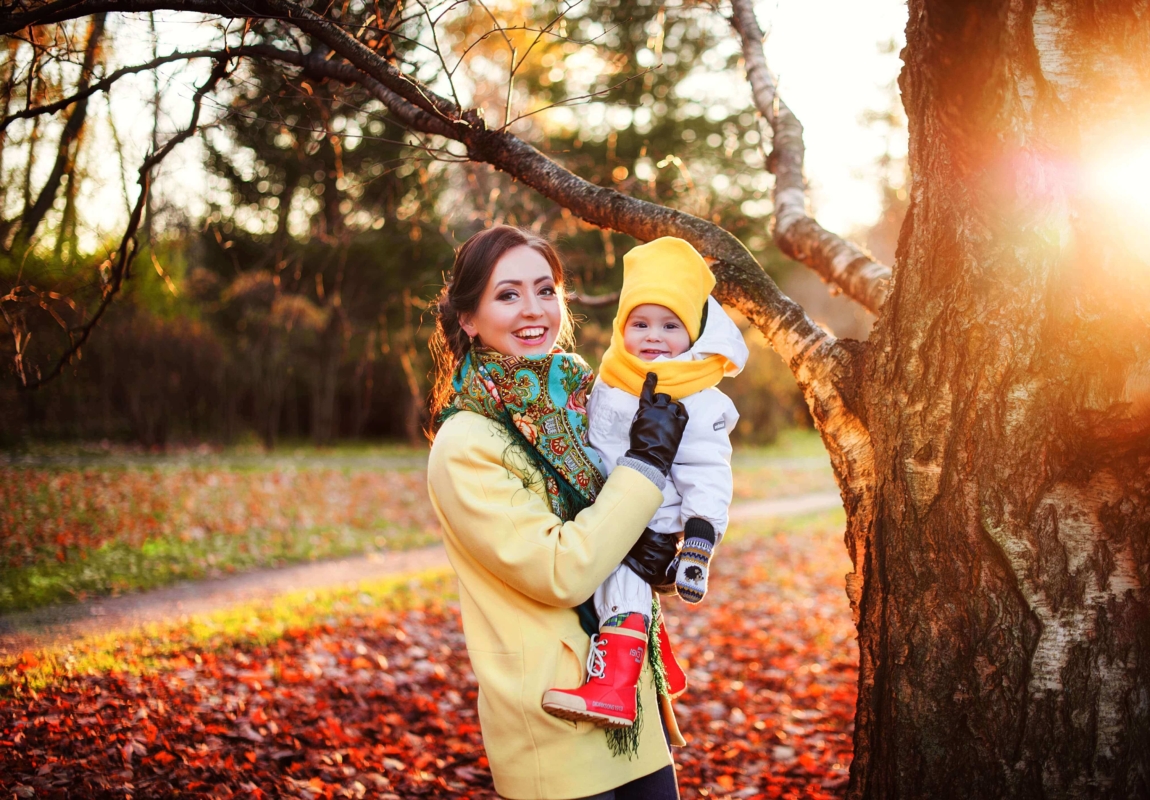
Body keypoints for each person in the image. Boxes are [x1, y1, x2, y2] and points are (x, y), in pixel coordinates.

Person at [426, 225, 689, 800]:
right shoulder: (466, 444)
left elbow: (618, 531)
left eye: (546, 290)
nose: (534, 310)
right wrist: (645, 465)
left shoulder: (583, 404)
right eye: (508, 294)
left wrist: (656, 553)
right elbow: (561, 570)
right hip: (553, 719)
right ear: (468, 318)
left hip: (632, 706)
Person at [542, 237, 748, 729]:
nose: (653, 336)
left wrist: (698, 544)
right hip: (605, 507)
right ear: (621, 327)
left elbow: (708, 472)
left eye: (670, 325)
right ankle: (659, 663)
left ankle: (613, 690)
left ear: (694, 332)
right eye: (640, 323)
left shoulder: (696, 397)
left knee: (621, 589)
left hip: (647, 518)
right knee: (601, 592)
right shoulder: (614, 375)